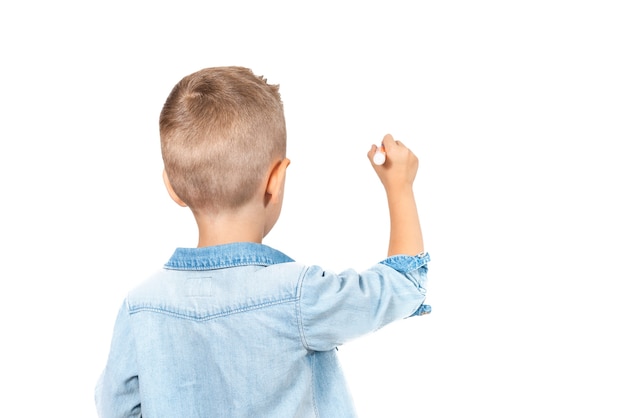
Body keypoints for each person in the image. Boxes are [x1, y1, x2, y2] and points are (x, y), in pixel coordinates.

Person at [95, 66, 431, 418]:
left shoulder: (141, 307)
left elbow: (115, 407)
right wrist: (400, 188)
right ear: (276, 179)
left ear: (172, 187)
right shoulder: (299, 296)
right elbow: (401, 287)